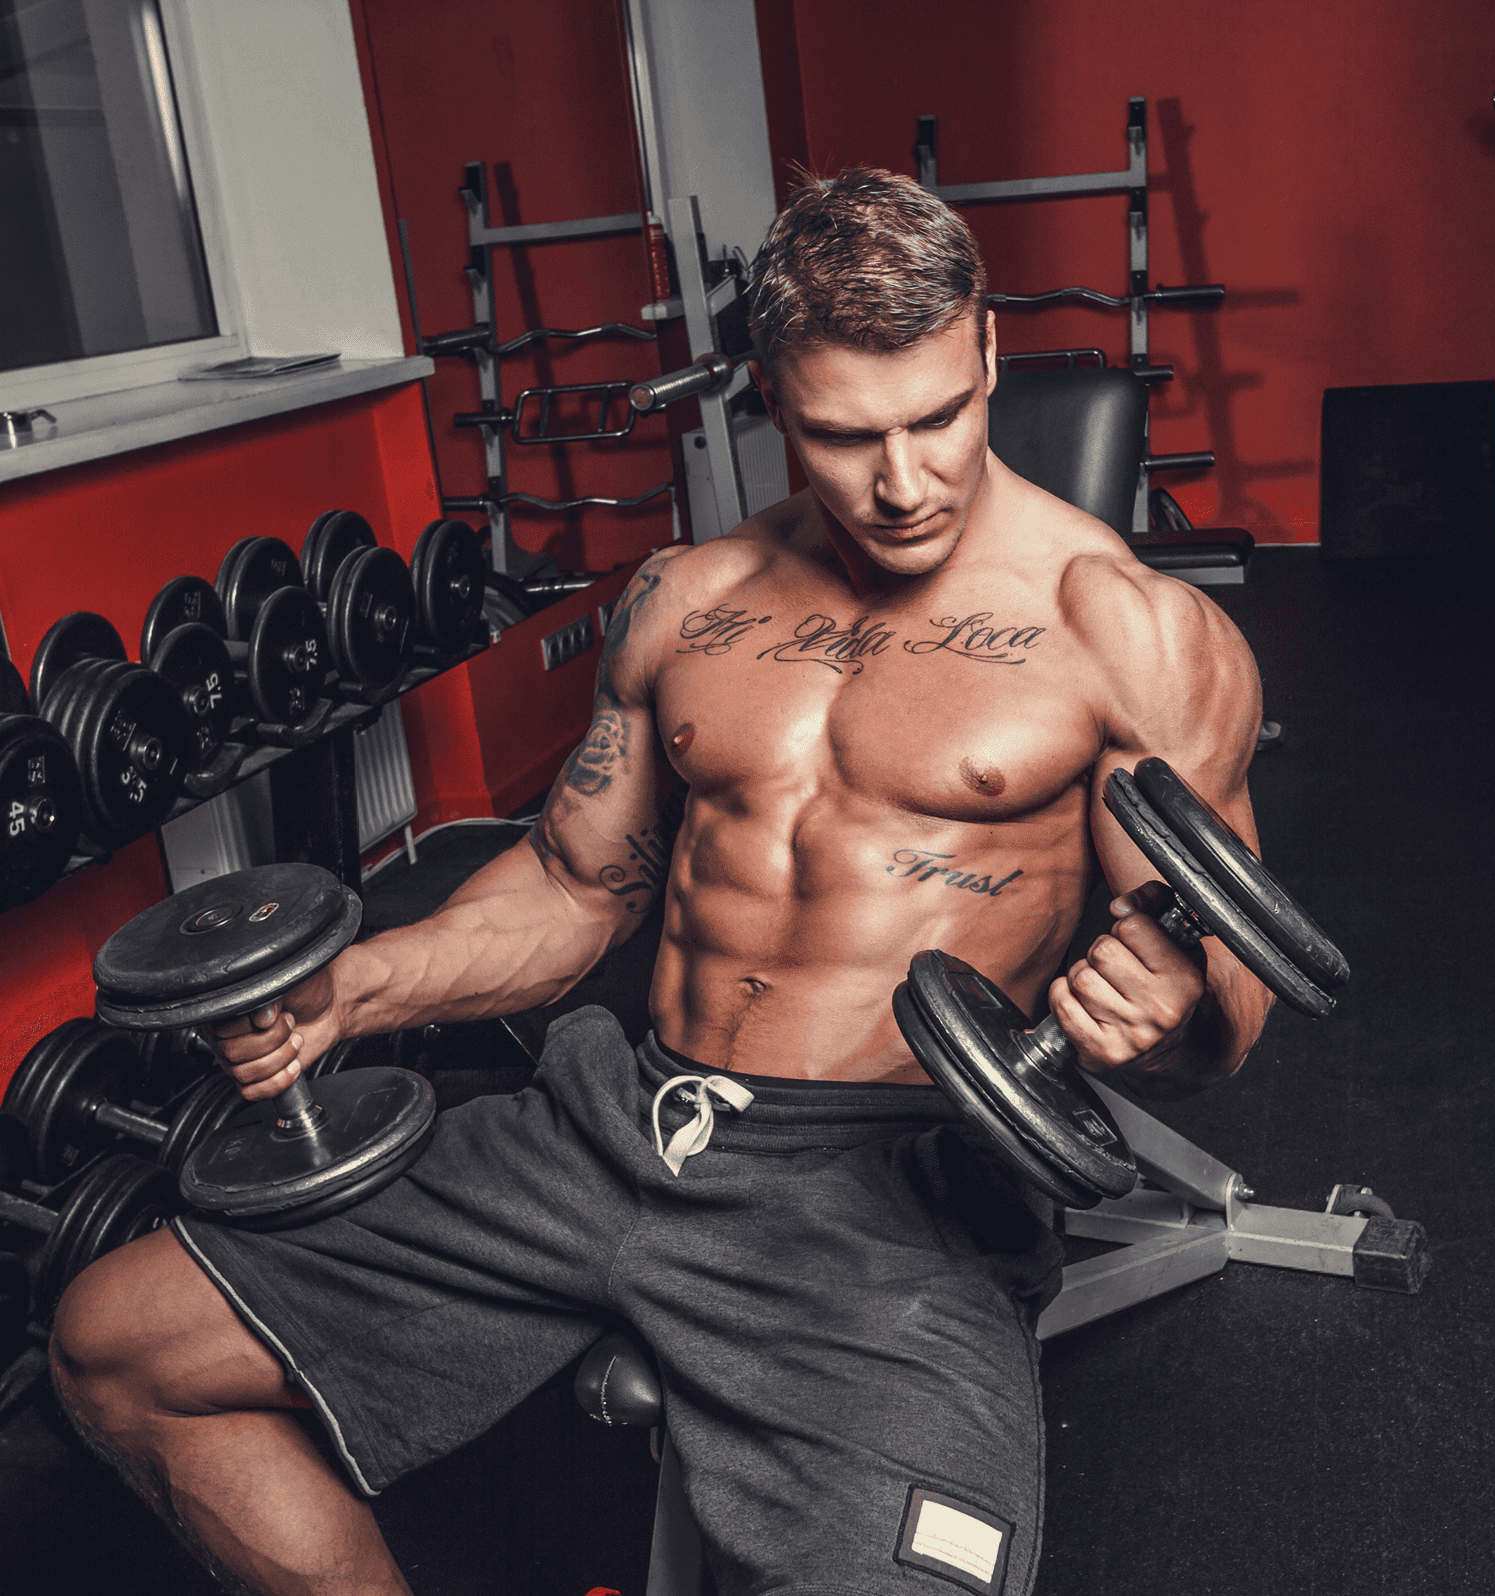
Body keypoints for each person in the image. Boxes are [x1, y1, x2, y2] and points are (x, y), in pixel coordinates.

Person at [50, 168, 1271, 1596]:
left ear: (990, 351)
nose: (903, 483)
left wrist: (1173, 1007)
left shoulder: (1128, 634)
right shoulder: (688, 600)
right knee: (115, 1344)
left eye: (938, 417)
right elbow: (574, 887)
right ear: (768, 399)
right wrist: (356, 991)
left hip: (887, 1189)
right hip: (617, 1123)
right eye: (843, 435)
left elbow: (1224, 994)